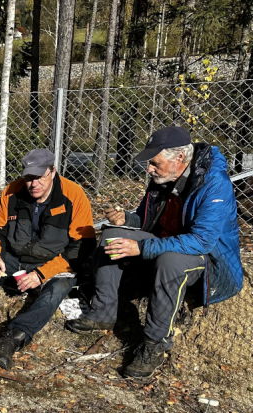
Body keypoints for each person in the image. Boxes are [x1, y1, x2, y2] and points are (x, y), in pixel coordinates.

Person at [66, 126, 243, 378]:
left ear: (179, 158)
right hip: (166, 244)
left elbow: (201, 241)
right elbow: (147, 219)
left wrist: (142, 247)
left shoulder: (214, 185)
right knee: (112, 235)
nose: (149, 168)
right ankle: (103, 312)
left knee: (171, 261)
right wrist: (126, 218)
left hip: (210, 260)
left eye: (154, 163)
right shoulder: (164, 177)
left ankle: (154, 343)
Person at [0, 149, 96, 369]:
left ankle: (12, 338)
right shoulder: (11, 192)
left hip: (53, 265)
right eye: (28, 178)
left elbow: (82, 246)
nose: (33, 184)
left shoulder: (74, 194)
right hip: (15, 261)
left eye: (39, 177)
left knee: (58, 288)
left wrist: (41, 274)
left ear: (52, 171)